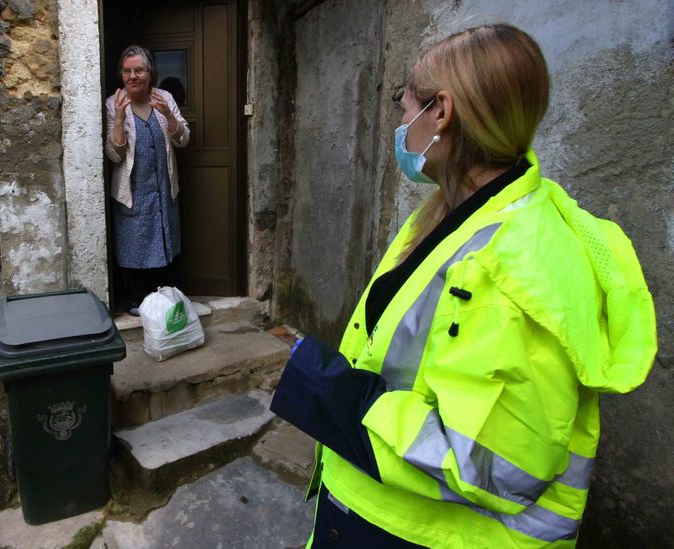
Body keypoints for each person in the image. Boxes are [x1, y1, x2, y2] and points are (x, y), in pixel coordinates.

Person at [270, 24, 656, 548]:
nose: (402, 125)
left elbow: (494, 465)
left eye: (406, 109)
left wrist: (328, 393)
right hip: (383, 514)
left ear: (442, 114)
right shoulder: (452, 214)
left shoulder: (518, 271)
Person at [105, 45, 190, 315]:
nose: (133, 76)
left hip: (164, 188)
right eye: (127, 71)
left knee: (165, 239)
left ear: (150, 73)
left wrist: (167, 115)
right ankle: (135, 300)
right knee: (133, 242)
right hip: (132, 190)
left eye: (139, 70)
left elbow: (184, 139)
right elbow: (114, 155)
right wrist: (118, 118)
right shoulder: (113, 103)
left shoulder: (164, 97)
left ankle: (164, 298)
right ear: (121, 74)